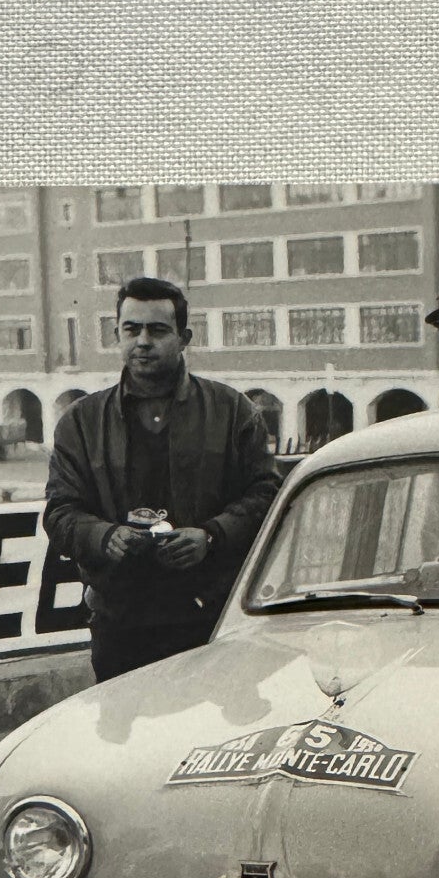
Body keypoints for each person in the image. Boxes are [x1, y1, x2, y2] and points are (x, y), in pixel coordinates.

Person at [44, 276, 281, 682]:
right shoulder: (80, 422)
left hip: (212, 618)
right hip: (119, 624)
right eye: (131, 329)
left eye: (157, 330)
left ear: (184, 338)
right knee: (126, 723)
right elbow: (59, 512)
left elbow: (269, 496)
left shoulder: (233, 411)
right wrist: (104, 536)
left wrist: (210, 536)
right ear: (116, 335)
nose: (143, 342)